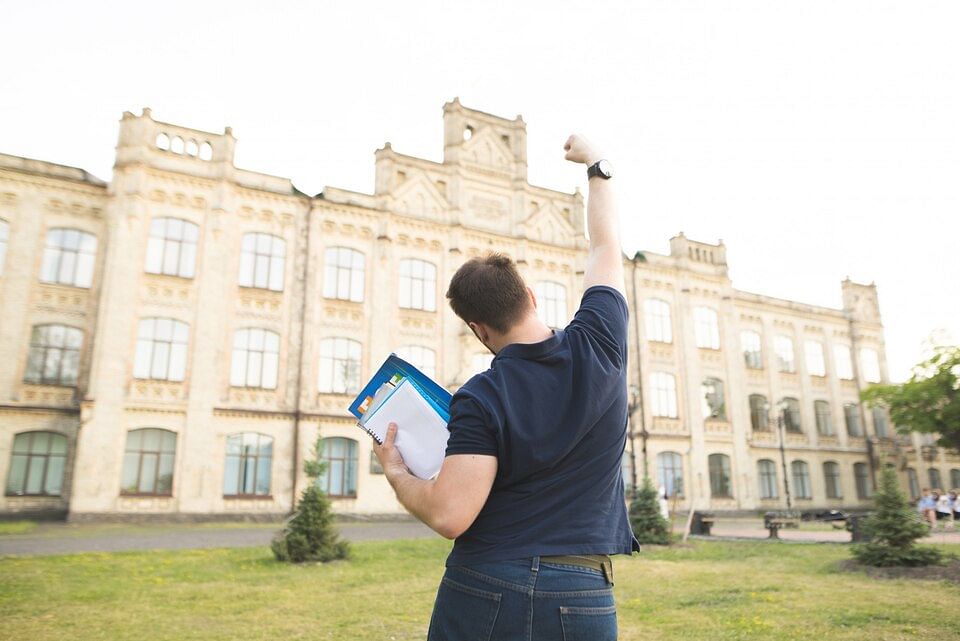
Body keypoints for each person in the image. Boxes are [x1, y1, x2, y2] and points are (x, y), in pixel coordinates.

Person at [373, 134, 638, 641]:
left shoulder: (480, 396)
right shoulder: (602, 342)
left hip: (486, 582)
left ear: (477, 328)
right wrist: (596, 165)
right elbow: (606, 246)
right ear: (532, 296)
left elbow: (451, 514)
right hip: (582, 587)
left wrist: (397, 472)